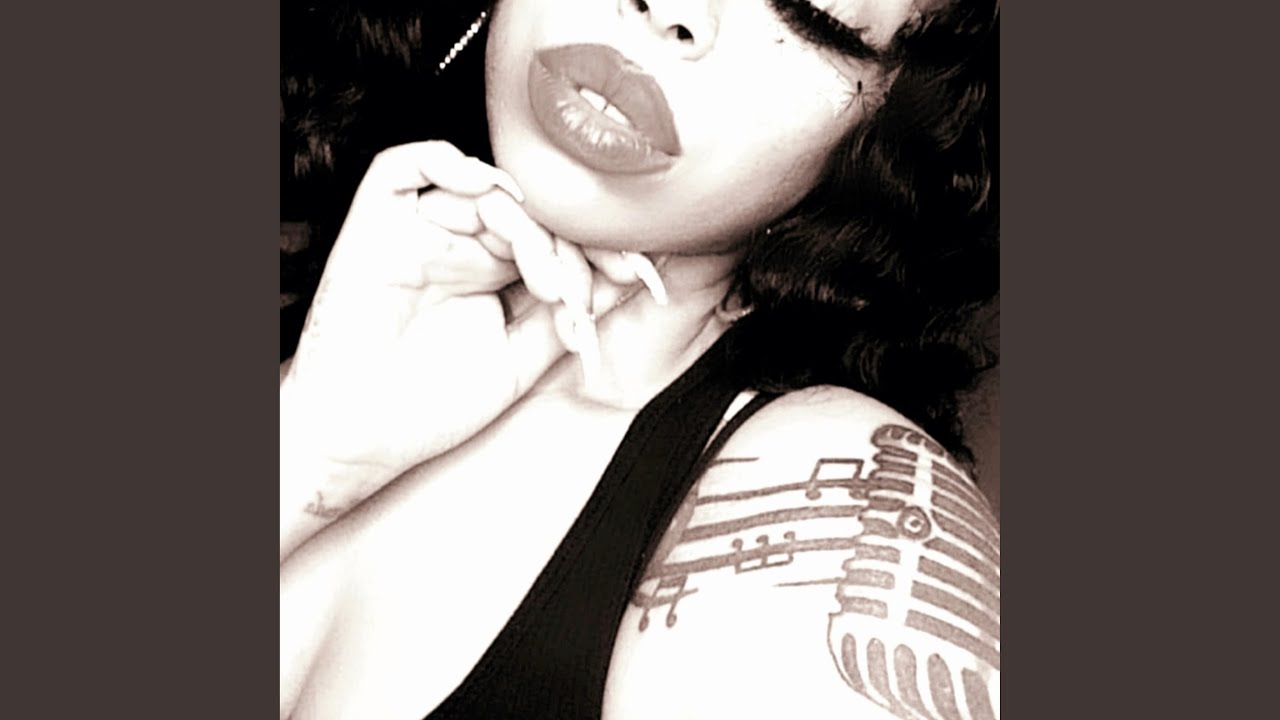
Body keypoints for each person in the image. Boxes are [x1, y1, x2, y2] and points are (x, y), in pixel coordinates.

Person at [279, 0, 1000, 718]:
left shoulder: (842, 516)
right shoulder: (343, 342)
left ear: (887, 135)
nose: (675, 8)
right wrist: (309, 446)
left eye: (812, 14)